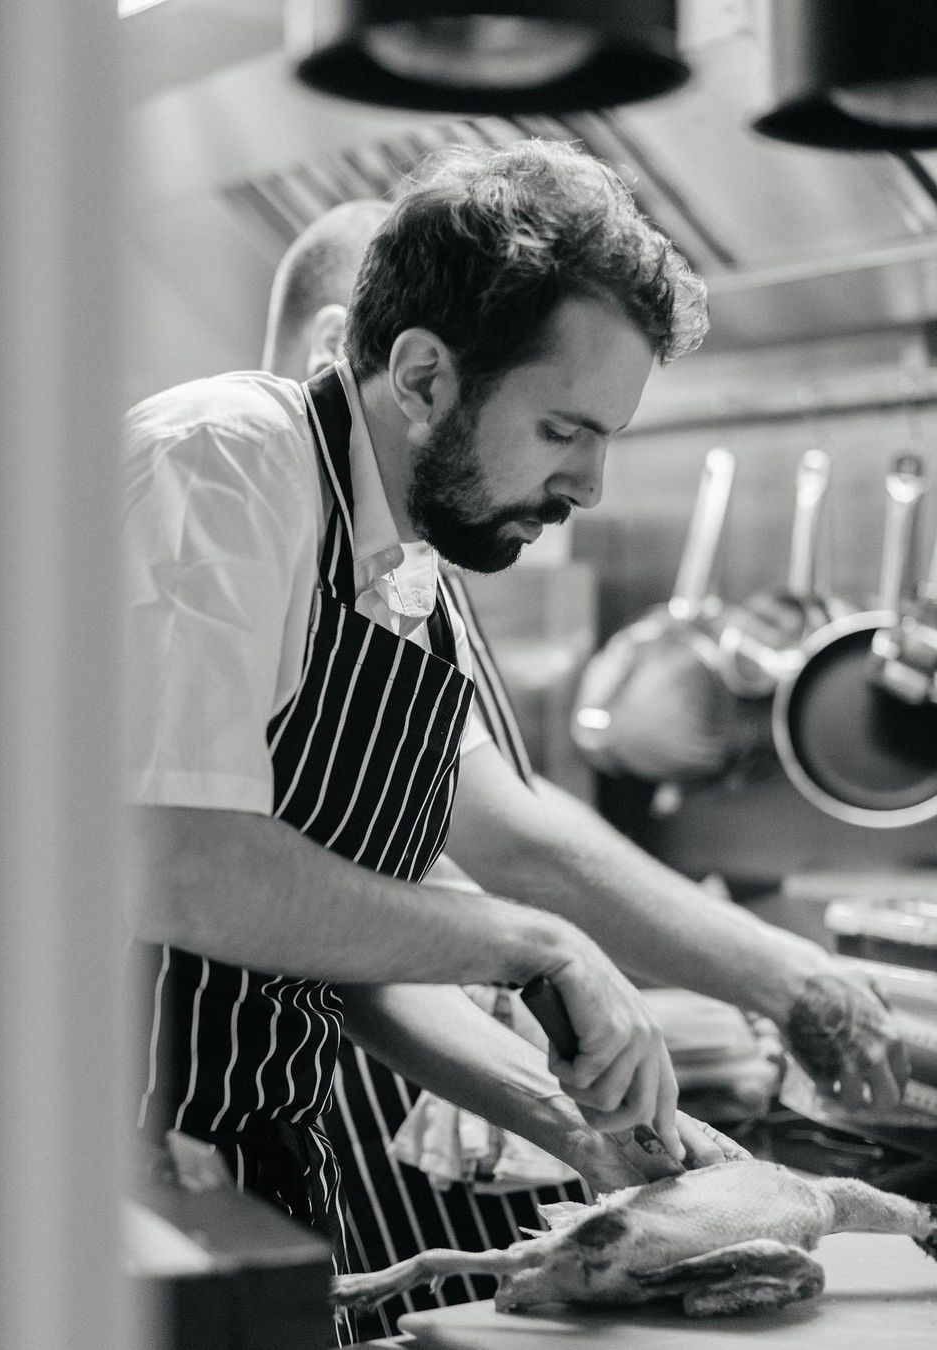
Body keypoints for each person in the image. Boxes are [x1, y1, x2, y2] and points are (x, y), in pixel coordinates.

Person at [122, 142, 906, 1343]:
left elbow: (341, 930)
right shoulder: (223, 466)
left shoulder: (411, 567)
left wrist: (572, 1122)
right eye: (563, 430)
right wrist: (533, 946)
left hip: (246, 1159)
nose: (588, 483)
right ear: (425, 376)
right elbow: (182, 863)